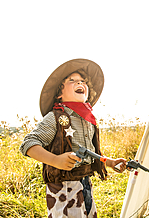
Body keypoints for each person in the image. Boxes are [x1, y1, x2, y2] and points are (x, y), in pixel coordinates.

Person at [19, 58, 127, 218]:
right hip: (62, 187)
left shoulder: (88, 120)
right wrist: (55, 160)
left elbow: (90, 152)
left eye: (83, 81)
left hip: (84, 183)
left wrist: (110, 162)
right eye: (72, 81)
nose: (80, 83)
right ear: (59, 94)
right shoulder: (55, 117)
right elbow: (28, 144)